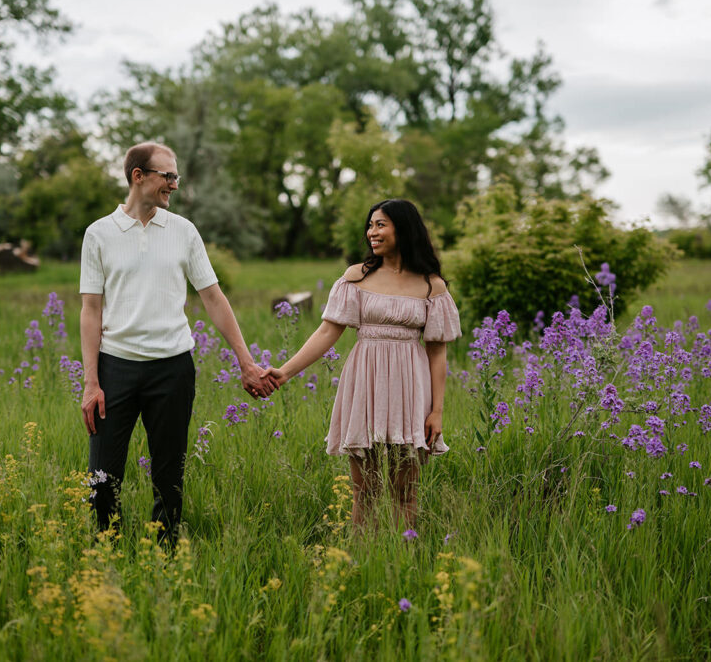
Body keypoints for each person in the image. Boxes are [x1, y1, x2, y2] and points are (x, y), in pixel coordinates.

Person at [79, 141, 277, 545]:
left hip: (172, 369)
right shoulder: (98, 234)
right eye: (167, 176)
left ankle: (166, 555)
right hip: (115, 368)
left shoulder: (183, 231)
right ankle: (105, 553)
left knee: (169, 477)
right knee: (101, 479)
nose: (174, 185)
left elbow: (213, 298)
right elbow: (91, 310)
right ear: (139, 176)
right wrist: (91, 381)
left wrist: (246, 362)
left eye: (176, 176)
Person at [268, 199, 460, 530]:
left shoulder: (432, 285)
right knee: (365, 490)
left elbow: (437, 350)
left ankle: (404, 558)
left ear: (404, 227)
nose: (372, 232)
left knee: (405, 491)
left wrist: (436, 411)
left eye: (381, 224)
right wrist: (284, 372)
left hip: (410, 388)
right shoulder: (357, 276)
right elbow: (328, 330)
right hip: (365, 382)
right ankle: (359, 561)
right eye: (370, 225)